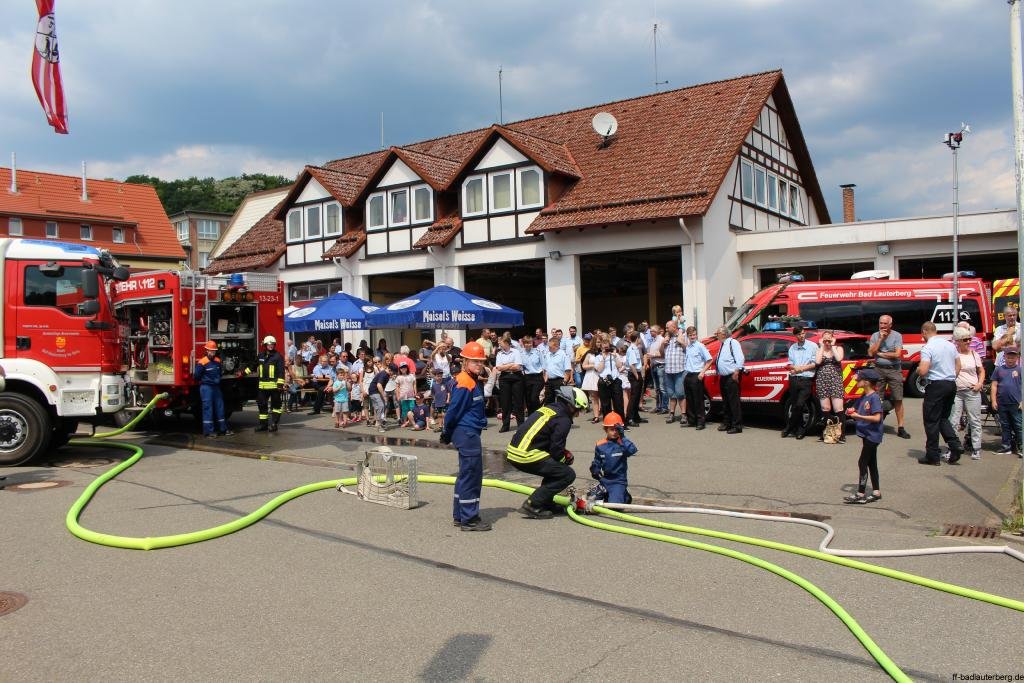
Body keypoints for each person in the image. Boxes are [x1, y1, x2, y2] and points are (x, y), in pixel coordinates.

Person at [505, 386, 590, 519]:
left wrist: (560, 457)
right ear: (570, 404)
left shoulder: (549, 408)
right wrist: (566, 459)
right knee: (566, 474)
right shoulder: (564, 419)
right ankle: (533, 504)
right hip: (525, 454)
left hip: (514, 451)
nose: (578, 413)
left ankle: (545, 502)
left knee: (555, 469)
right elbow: (556, 449)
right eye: (577, 409)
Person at [441, 341, 491, 532]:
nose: (479, 365)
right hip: (466, 433)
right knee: (471, 475)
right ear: (465, 361)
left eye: (481, 362)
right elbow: (454, 410)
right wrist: (446, 431)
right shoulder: (465, 382)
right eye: (475, 362)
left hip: (468, 432)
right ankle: (469, 519)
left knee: (465, 474)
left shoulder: (470, 380)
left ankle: (460, 515)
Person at [917, 321, 964, 465]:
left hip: (936, 385)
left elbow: (924, 371)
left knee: (931, 421)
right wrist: (950, 378)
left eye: (922, 334)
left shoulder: (928, 348)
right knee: (943, 418)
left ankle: (932, 455)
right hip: (950, 384)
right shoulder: (950, 345)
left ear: (925, 331)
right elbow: (958, 365)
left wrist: (919, 370)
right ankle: (955, 445)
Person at [843, 368, 884, 504]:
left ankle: (861, 493)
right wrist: (852, 410)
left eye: (859, 379)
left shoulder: (874, 397)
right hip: (866, 435)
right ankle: (876, 492)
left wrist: (858, 416)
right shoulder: (864, 396)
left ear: (866, 382)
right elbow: (856, 408)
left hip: (873, 436)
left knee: (862, 462)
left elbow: (877, 418)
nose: (856, 381)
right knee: (872, 463)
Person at [868, 315, 910, 439]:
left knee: (898, 398)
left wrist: (880, 353)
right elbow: (871, 352)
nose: (882, 326)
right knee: (877, 399)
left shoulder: (897, 336)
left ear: (890, 325)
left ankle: (901, 427)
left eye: (885, 324)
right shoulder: (875, 336)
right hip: (879, 369)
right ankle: (877, 425)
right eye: (880, 323)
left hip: (894, 370)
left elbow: (897, 355)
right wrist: (880, 340)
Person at [949, 326, 985, 460]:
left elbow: (981, 371)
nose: (969, 341)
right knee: (953, 421)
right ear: (958, 341)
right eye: (965, 339)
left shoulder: (974, 354)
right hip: (957, 391)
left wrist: (979, 384)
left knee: (974, 420)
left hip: (972, 391)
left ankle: (976, 448)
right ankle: (953, 447)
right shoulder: (954, 355)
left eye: (969, 339)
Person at [589, 412, 638, 504]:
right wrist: (594, 468)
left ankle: (624, 495)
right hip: (605, 480)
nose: (615, 432)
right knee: (590, 499)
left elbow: (632, 450)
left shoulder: (623, 443)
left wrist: (623, 436)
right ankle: (610, 494)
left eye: (617, 430)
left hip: (618, 481)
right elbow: (597, 460)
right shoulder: (600, 445)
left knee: (615, 506)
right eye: (612, 429)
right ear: (605, 429)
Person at [781, 325, 818, 440]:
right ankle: (797, 429)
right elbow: (790, 363)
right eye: (799, 334)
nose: (802, 336)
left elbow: (815, 363)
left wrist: (801, 369)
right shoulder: (793, 348)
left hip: (806, 379)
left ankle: (790, 427)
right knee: (795, 405)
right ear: (795, 335)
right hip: (794, 379)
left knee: (800, 404)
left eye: (803, 333)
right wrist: (793, 367)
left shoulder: (812, 346)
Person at [194, 340, 233, 437]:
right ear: (206, 350)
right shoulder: (202, 362)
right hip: (206, 388)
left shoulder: (217, 361)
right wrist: (206, 381)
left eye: (214, 351)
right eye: (211, 351)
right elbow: (196, 376)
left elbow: (220, 373)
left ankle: (223, 429)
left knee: (220, 408)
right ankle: (208, 432)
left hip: (216, 388)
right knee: (208, 409)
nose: (212, 352)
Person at [990, 345, 1023, 457]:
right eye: (1008, 357)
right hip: (1002, 403)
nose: (1010, 359)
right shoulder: (999, 370)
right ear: (1004, 357)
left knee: (1018, 425)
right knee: (1005, 426)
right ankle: (1006, 447)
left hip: (1016, 403)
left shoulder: (1020, 370)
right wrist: (993, 400)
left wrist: (1022, 401)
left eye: (1013, 357)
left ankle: (1021, 447)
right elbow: (994, 385)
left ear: (1017, 358)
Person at [814, 330, 846, 443]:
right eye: (825, 340)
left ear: (833, 339)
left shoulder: (838, 348)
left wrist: (832, 346)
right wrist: (822, 346)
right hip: (822, 381)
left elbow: (838, 359)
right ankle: (826, 434)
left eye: (829, 340)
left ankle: (841, 435)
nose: (827, 342)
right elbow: (817, 361)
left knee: (838, 408)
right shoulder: (819, 350)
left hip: (835, 380)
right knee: (825, 408)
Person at [251, 335, 286, 433]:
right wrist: (242, 372)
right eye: (269, 344)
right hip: (262, 387)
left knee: (276, 407)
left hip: (274, 387)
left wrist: (280, 385)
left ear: (274, 345)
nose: (270, 346)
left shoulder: (278, 356)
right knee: (262, 406)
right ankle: (263, 425)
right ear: (265, 344)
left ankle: (274, 424)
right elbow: (253, 366)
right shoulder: (261, 356)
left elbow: (281, 371)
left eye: (272, 344)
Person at [714, 326, 744, 434]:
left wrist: (736, 371)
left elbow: (740, 358)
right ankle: (727, 423)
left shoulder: (733, 343)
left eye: (717, 333)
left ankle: (737, 425)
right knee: (726, 402)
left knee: (733, 402)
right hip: (723, 377)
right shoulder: (723, 344)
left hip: (731, 376)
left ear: (723, 334)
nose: (716, 335)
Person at [681, 326, 713, 429]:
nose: (692, 337)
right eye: (690, 335)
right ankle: (691, 420)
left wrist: (702, 372)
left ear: (696, 334)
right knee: (689, 399)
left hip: (697, 375)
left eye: (694, 334)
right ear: (688, 336)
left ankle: (700, 422)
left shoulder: (700, 346)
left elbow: (709, 360)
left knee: (698, 400)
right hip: (688, 374)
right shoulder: (688, 347)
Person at [494, 337, 524, 433]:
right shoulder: (499, 353)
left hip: (516, 378)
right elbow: (498, 367)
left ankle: (521, 425)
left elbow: (518, 366)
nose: (500, 345)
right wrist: (511, 364)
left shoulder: (516, 352)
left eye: (501, 343)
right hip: (504, 378)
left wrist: (505, 366)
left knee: (518, 401)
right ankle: (505, 425)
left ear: (507, 343)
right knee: (505, 402)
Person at [661, 320, 687, 424]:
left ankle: (684, 415)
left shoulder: (683, 336)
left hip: (680, 370)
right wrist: (663, 344)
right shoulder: (667, 339)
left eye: (668, 328)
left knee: (681, 394)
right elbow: (661, 353)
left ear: (674, 327)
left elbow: (688, 350)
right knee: (671, 394)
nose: (666, 329)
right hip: (668, 370)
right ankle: (671, 414)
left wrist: (682, 343)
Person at [594, 337, 625, 420]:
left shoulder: (615, 355)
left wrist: (615, 356)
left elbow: (620, 366)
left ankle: (621, 423)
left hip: (615, 380)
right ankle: (608, 423)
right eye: (604, 348)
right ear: (601, 348)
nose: (606, 349)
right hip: (604, 381)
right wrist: (603, 359)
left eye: (607, 348)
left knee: (618, 403)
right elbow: (599, 370)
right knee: (605, 404)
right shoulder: (598, 357)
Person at [624, 332, 646, 426]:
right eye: (640, 338)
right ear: (637, 338)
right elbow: (632, 365)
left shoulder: (635, 348)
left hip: (637, 373)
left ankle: (636, 416)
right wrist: (637, 376)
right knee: (634, 397)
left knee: (637, 397)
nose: (640, 340)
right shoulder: (632, 349)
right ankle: (629, 418)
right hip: (634, 374)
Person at [542, 336, 572, 405]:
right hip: (549, 382)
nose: (548, 348)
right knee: (548, 401)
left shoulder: (563, 355)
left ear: (557, 346)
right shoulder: (547, 354)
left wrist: (564, 381)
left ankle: (561, 415)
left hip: (559, 381)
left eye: (550, 346)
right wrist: (545, 381)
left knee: (561, 401)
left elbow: (567, 370)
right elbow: (546, 369)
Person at [368, 362, 396, 433]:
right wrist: (383, 395)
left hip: (372, 391)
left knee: (378, 407)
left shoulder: (386, 374)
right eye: (393, 372)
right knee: (381, 406)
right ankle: (379, 425)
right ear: (390, 370)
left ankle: (377, 424)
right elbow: (379, 385)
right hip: (375, 391)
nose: (394, 374)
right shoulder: (384, 374)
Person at [580, 335, 601, 423]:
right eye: (597, 342)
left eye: (600, 342)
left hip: (601, 375)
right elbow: (584, 366)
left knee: (603, 396)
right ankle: (596, 416)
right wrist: (593, 366)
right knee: (594, 397)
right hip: (592, 375)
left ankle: (605, 413)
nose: (599, 344)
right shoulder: (589, 353)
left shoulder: (604, 352)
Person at [647, 325, 667, 414]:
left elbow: (663, 354)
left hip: (661, 366)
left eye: (653, 331)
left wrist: (653, 355)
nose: (651, 332)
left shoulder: (662, 340)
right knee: (657, 388)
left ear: (658, 331)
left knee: (662, 388)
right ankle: (658, 406)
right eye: (650, 331)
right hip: (654, 366)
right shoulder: (653, 341)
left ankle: (664, 407)